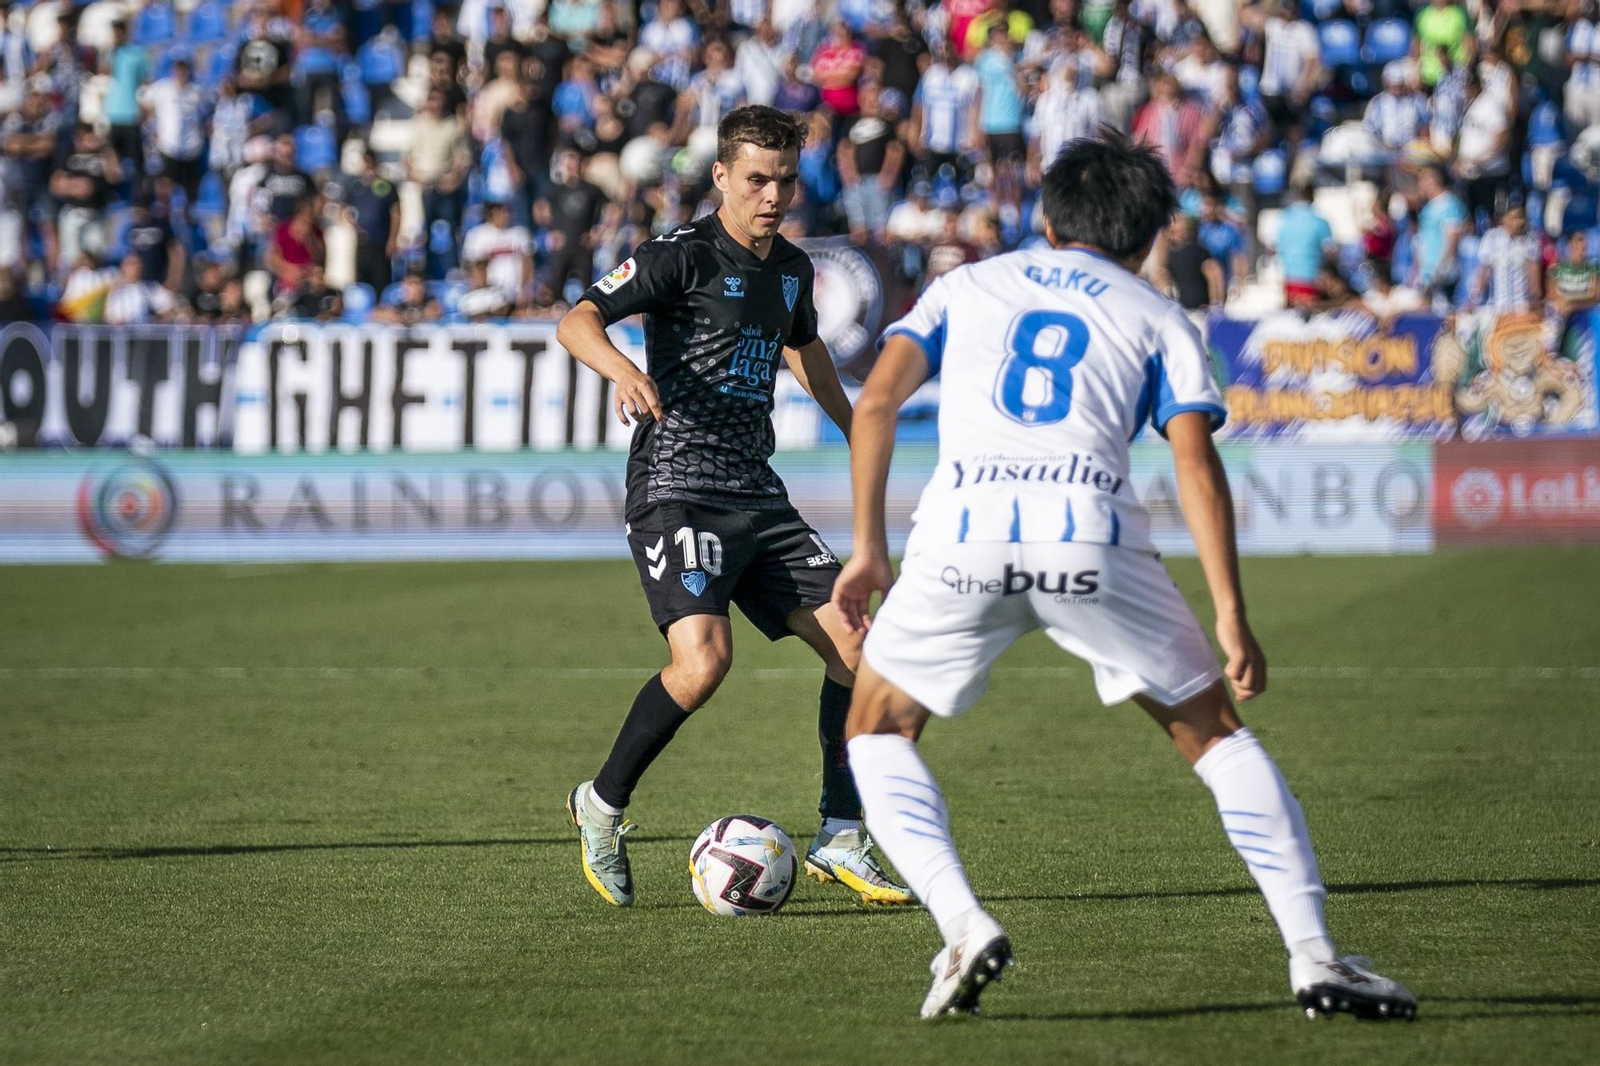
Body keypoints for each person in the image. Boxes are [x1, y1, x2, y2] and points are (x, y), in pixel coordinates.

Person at [830, 130, 1419, 1022]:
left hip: (962, 535)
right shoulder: (1157, 316)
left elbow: (875, 400)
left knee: (875, 729)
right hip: (1091, 535)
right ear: (1148, 239)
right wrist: (1231, 613)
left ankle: (962, 925)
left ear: (1045, 213)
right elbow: (1196, 465)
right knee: (1217, 736)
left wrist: (869, 548)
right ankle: (1315, 958)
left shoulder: (965, 286)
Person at [557, 105, 912, 909]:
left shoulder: (792, 269)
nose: (773, 195)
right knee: (704, 662)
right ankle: (601, 806)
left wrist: (857, 430)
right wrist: (620, 368)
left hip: (758, 492)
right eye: (757, 179)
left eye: (785, 180)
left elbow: (806, 346)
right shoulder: (678, 255)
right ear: (721, 176)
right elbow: (576, 321)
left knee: (864, 649)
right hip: (677, 488)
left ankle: (842, 835)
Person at [1470, 204, 1540, 313]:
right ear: (1504, 219)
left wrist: (1535, 299)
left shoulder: (1530, 239)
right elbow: (1484, 271)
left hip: (1522, 307)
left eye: (1522, 217)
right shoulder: (1492, 237)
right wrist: (1474, 300)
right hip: (1497, 307)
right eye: (1515, 217)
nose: (1520, 222)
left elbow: (1533, 271)